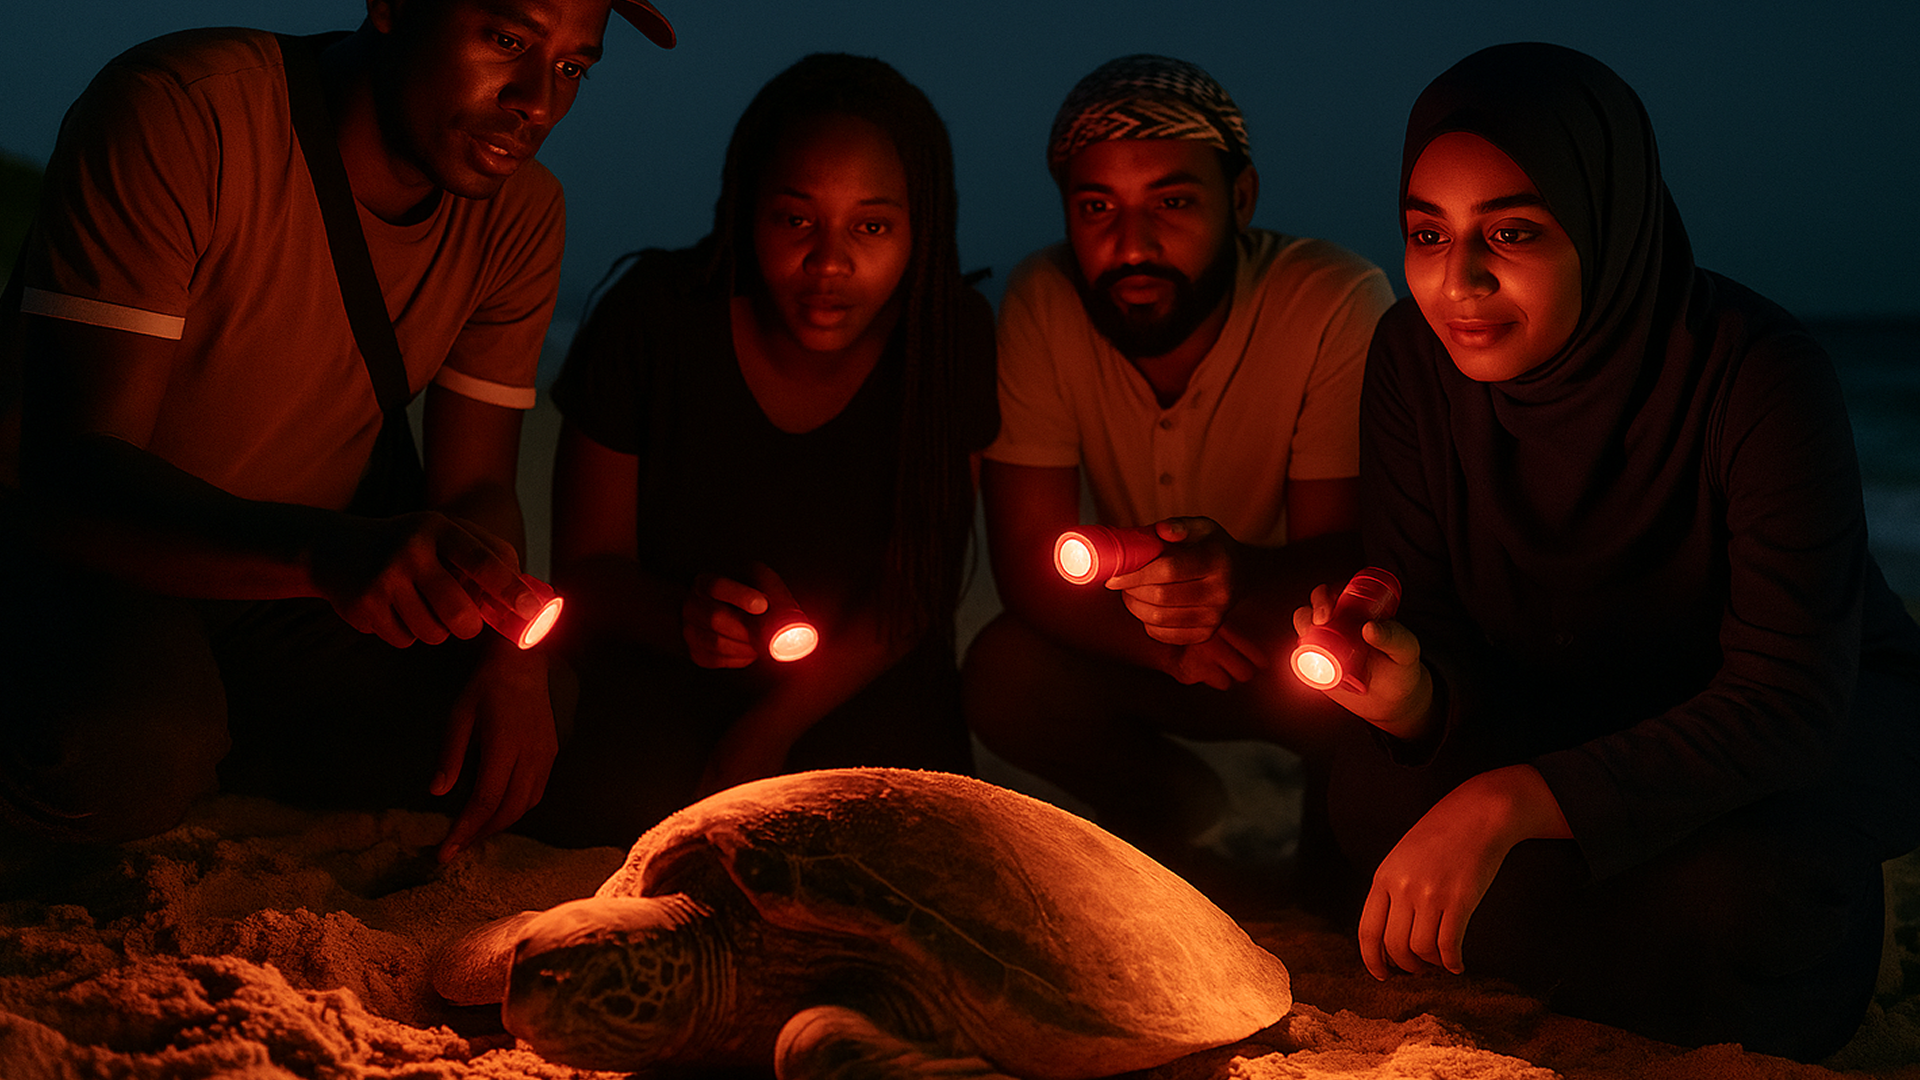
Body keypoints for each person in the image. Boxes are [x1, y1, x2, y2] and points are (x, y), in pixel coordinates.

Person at [1294, 42, 1920, 1060]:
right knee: (1366, 799)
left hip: (1783, 727)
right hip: (1564, 706)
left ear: (1605, 222)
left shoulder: (1757, 373)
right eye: (1426, 233)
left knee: (1736, 897)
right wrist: (1410, 691)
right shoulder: (1412, 358)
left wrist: (1504, 802)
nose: (1461, 279)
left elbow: (1789, 701)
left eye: (1513, 230)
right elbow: (1439, 619)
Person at [0, 0, 677, 862]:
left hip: (295, 584)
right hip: (99, 550)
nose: (538, 101)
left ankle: (195, 736)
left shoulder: (521, 212)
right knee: (133, 747)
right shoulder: (188, 107)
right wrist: (324, 554)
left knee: (523, 715)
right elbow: (75, 475)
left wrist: (513, 653)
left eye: (575, 67)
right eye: (507, 40)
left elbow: (474, 489)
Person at [514, 53, 997, 848]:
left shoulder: (949, 340)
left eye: (871, 225)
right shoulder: (653, 321)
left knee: (899, 844)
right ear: (746, 210)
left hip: (863, 681)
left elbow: (921, 587)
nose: (829, 262)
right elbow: (590, 566)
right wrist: (687, 619)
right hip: (667, 677)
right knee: (624, 810)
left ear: (922, 229)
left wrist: (769, 729)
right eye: (795, 218)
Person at [963, 54, 1394, 879]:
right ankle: (1171, 810)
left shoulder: (1331, 300)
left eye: (1173, 201)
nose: (1132, 244)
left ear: (1241, 199)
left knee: (1364, 687)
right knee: (1005, 673)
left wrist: (1232, 578)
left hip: (1292, 635)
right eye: (1097, 208)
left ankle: (1330, 861)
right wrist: (1163, 644)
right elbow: (1025, 560)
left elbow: (1350, 553)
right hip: (1147, 641)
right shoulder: (1045, 300)